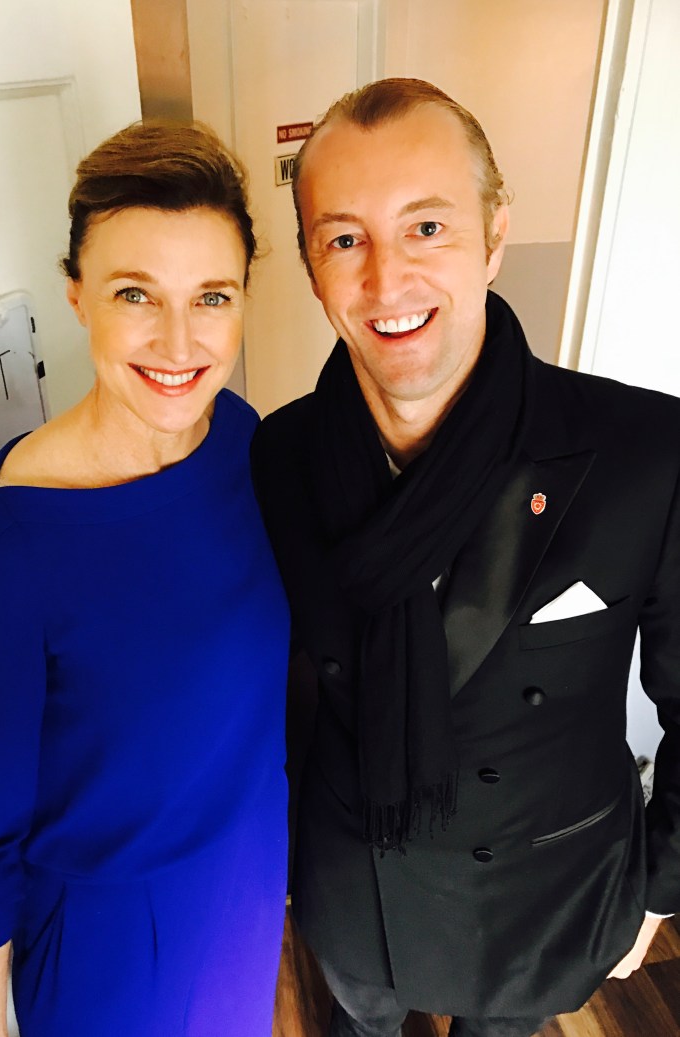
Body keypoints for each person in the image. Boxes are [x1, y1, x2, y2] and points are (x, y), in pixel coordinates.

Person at [251, 78, 680, 1037]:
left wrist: (659, 886)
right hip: (353, 885)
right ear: (313, 268)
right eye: (345, 238)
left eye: (428, 227)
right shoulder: (278, 456)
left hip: (544, 897)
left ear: (493, 236)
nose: (386, 280)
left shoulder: (647, 452)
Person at [0, 120, 289, 1037]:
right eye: (135, 293)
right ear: (78, 293)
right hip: (117, 954)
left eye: (211, 296)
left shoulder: (241, 437)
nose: (178, 340)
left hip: (246, 885)